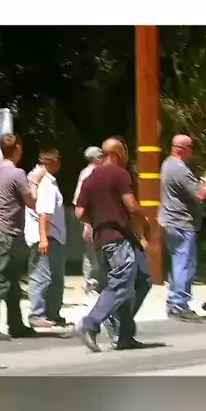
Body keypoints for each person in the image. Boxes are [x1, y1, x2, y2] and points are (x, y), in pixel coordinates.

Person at [75, 138, 152, 352]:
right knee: (121, 283)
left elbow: (79, 212)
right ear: (120, 153)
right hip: (117, 239)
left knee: (143, 278)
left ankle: (123, 333)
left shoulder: (90, 178)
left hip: (107, 238)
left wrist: (97, 220)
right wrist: (147, 216)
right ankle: (90, 323)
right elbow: (131, 205)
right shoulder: (120, 173)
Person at [0, 133, 37, 340]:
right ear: (18, 149)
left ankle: (16, 323)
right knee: (0, 280)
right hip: (6, 232)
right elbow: (31, 202)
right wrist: (35, 182)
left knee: (11, 280)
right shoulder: (17, 173)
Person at [159, 135, 206, 321]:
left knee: (177, 264)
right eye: (192, 147)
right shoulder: (180, 169)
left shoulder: (168, 164)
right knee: (185, 265)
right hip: (182, 223)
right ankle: (179, 305)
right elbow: (199, 195)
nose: (193, 151)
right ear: (183, 149)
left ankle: (174, 302)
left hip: (171, 221)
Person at [25, 149, 68, 328]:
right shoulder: (46, 183)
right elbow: (44, 213)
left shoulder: (38, 179)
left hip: (50, 234)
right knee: (42, 276)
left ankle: (52, 313)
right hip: (48, 235)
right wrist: (44, 238)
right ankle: (37, 314)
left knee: (54, 277)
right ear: (53, 162)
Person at [73, 146, 104, 293]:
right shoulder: (88, 174)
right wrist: (87, 223)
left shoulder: (94, 172)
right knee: (92, 254)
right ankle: (91, 286)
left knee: (97, 253)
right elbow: (80, 201)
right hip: (91, 219)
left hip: (97, 218)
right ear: (95, 158)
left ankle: (97, 285)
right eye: (101, 156)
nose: (103, 159)